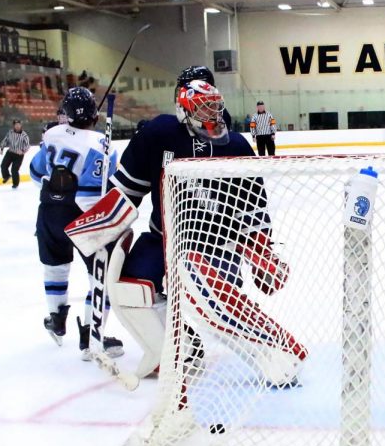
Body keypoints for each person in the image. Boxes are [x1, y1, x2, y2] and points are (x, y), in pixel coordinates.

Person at [66, 73, 303, 383]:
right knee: (127, 286)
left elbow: (253, 211)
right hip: (163, 239)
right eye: (203, 110)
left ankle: (274, 353)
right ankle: (175, 350)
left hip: (218, 246)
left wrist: (260, 252)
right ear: (184, 110)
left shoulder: (235, 145)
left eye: (214, 109)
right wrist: (97, 227)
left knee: (202, 295)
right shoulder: (158, 134)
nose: (212, 117)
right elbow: (126, 191)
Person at [28, 87, 123, 358]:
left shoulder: (52, 134)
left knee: (55, 268)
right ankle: (90, 337)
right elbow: (94, 194)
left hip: (49, 213)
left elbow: (36, 174)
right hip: (82, 218)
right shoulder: (102, 145)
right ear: (94, 113)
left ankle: (56, 320)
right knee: (100, 276)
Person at [0, 119, 30, 188]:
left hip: (19, 155)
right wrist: (2, 148)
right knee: (3, 165)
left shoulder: (24, 135)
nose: (17, 126)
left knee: (14, 170)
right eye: (16, 125)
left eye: (19, 125)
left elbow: (27, 145)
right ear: (13, 126)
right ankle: (6, 176)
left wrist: (22, 151)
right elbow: (5, 140)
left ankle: (15, 184)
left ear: (21, 125)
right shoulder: (10, 132)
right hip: (10, 152)